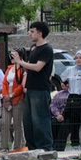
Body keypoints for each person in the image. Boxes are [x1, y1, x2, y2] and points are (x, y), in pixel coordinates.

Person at [17, 23, 58, 152]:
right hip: (30, 89)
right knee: (28, 121)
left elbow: (38, 67)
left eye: (32, 31)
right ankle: (32, 148)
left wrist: (21, 62)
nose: (30, 33)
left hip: (40, 90)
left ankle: (45, 148)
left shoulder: (47, 49)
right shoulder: (34, 48)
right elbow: (29, 67)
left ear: (40, 33)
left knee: (40, 120)